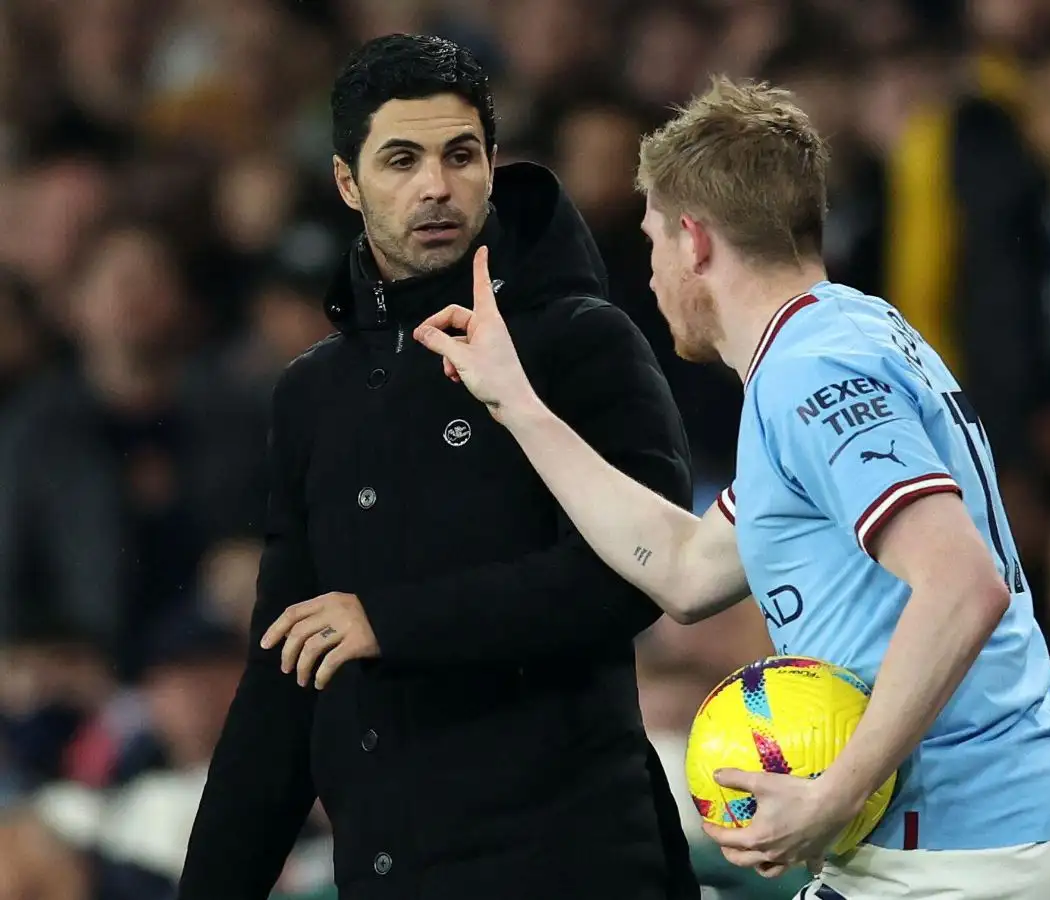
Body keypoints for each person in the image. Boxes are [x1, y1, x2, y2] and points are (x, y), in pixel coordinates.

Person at [413, 76, 1050, 899]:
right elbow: (687, 569)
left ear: (694, 242)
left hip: (967, 851)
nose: (653, 277)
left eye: (656, 242)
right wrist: (517, 405)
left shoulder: (812, 369)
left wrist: (831, 797)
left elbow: (961, 584)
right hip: (1044, 835)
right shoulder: (850, 340)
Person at [176, 35, 699, 900]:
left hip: (571, 862)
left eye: (460, 155)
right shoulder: (312, 393)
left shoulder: (580, 341)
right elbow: (285, 683)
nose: (435, 186)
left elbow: (639, 574)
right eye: (400, 160)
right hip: (389, 870)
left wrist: (393, 621)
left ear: (494, 165)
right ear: (348, 183)